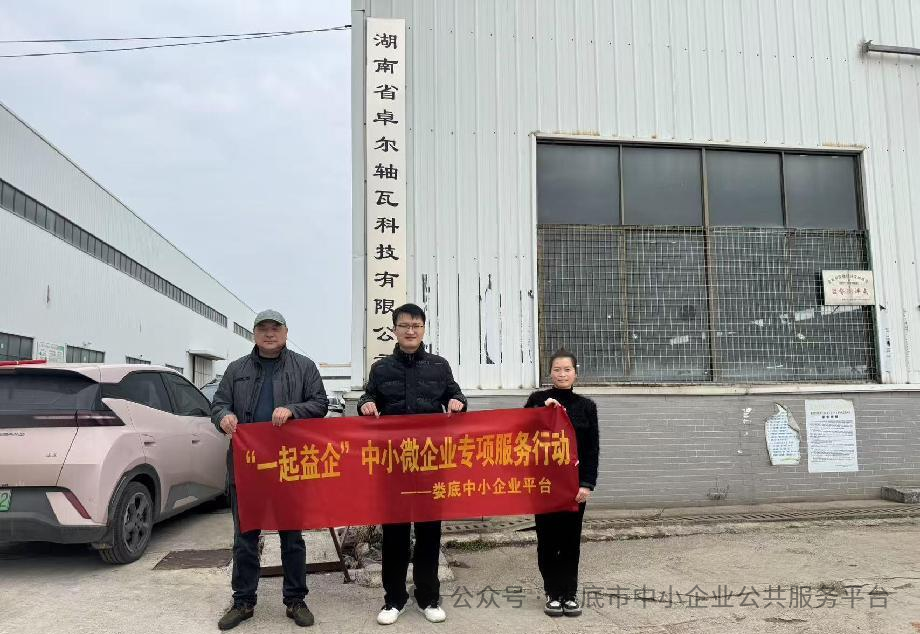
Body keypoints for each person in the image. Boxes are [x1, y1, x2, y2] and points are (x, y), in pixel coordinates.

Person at [211, 310, 328, 630]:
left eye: (275, 328)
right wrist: (223, 416)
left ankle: (295, 600)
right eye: (262, 328)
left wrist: (293, 409)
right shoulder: (237, 370)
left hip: (289, 464)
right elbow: (218, 404)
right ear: (254, 334)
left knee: (292, 536)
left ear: (286, 332)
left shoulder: (304, 367)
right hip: (248, 466)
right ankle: (243, 601)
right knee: (245, 536)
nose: (269, 333)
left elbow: (320, 404)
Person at [358, 303, 467, 626]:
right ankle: (394, 599)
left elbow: (456, 396)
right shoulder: (381, 369)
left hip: (430, 463)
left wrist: (458, 403)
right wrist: (366, 405)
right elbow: (368, 397)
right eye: (404, 325)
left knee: (429, 532)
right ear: (394, 329)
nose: (410, 331)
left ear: (423, 329)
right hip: (393, 464)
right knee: (395, 533)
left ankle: (428, 597)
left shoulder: (439, 366)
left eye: (416, 326)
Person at [523, 349, 599, 618]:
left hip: (573, 488)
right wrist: (541, 412)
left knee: (570, 542)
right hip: (544, 485)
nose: (562, 374)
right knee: (547, 540)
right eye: (557, 369)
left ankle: (569, 594)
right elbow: (521, 430)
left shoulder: (587, 407)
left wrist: (587, 484)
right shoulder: (537, 400)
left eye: (567, 370)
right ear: (550, 373)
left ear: (575, 373)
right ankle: (552, 593)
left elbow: (591, 449)